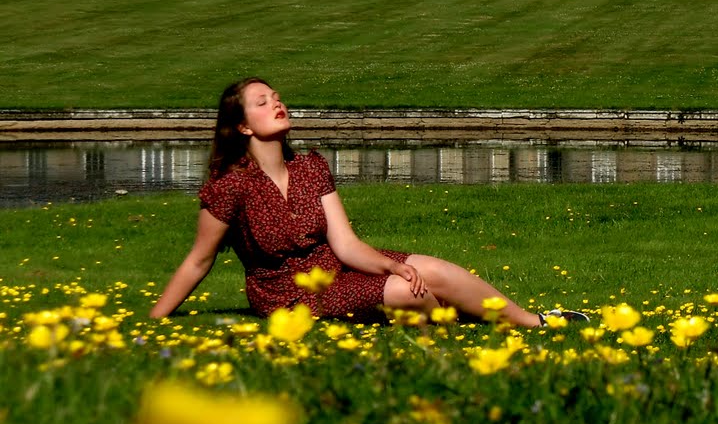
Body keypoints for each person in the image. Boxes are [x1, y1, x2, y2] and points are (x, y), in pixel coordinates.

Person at [150, 78, 560, 327]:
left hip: (335, 265)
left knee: (431, 269)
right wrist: (156, 320)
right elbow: (199, 260)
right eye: (262, 102)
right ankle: (446, 328)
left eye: (277, 97)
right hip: (289, 294)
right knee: (408, 293)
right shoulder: (231, 185)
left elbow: (345, 244)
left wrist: (391, 263)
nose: (277, 103)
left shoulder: (310, 167)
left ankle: (532, 321)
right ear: (241, 125)